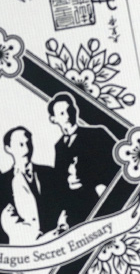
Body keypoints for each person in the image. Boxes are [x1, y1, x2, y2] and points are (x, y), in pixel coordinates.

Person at [47, 93, 118, 226]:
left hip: (99, 202)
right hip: (76, 209)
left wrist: (101, 186)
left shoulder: (97, 134)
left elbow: (120, 162)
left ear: (76, 111)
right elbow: (61, 181)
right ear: (53, 119)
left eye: (70, 110)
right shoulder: (59, 146)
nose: (67, 116)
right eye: (61, 113)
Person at [0, 126, 67, 246]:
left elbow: (63, 203)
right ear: (8, 148)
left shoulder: (49, 173)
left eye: (28, 143)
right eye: (20, 144)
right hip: (24, 247)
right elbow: (7, 219)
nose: (26, 149)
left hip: (57, 242)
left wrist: (62, 228)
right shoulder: (2, 182)